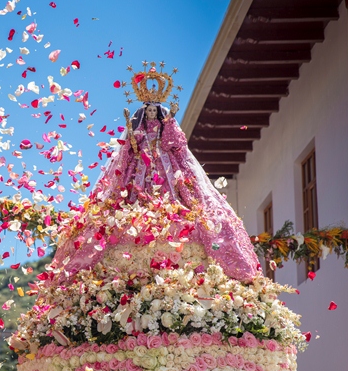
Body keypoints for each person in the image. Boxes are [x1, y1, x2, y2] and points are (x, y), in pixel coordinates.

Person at [51, 71, 260, 284]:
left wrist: (169, 121)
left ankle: (169, 206)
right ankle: (139, 205)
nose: (151, 114)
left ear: (158, 112)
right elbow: (131, 148)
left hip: (163, 163)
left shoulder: (163, 126)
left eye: (154, 111)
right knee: (138, 186)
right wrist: (134, 140)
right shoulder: (140, 129)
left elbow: (173, 141)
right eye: (148, 110)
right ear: (144, 113)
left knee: (169, 186)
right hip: (142, 162)